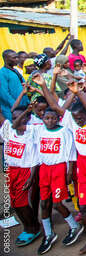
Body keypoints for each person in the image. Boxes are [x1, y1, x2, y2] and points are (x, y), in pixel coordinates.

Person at [31, 74, 83, 255]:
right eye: (47, 118)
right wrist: (36, 170)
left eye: (54, 118)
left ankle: (74, 226)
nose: (50, 121)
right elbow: (38, 152)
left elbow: (70, 153)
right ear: (42, 118)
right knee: (44, 203)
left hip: (59, 168)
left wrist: (69, 171)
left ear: (57, 119)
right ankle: (48, 233)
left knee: (55, 202)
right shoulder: (39, 130)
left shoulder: (64, 132)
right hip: (45, 168)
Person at [0, 106, 41, 247]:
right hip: (12, 170)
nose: (16, 120)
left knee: (23, 202)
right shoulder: (8, 129)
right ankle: (27, 226)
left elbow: (35, 158)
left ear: (28, 118)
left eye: (21, 117)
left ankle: (34, 227)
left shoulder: (32, 133)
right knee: (14, 203)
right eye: (14, 118)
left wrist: (31, 177)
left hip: (25, 171)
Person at [0, 49, 29, 121]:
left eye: (17, 57)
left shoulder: (15, 70)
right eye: (14, 58)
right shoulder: (2, 73)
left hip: (23, 106)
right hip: (12, 110)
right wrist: (15, 105)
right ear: (6, 59)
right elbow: (4, 94)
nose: (17, 59)